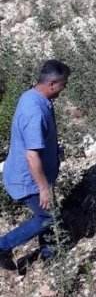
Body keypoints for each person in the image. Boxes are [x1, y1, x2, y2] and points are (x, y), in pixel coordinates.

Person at [0, 60, 71, 267]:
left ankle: (49, 255)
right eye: (63, 84)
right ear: (51, 83)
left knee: (50, 213)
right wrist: (43, 188)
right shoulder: (35, 111)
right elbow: (32, 156)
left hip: (30, 175)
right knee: (50, 216)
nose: (64, 88)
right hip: (28, 180)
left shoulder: (31, 96)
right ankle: (3, 246)